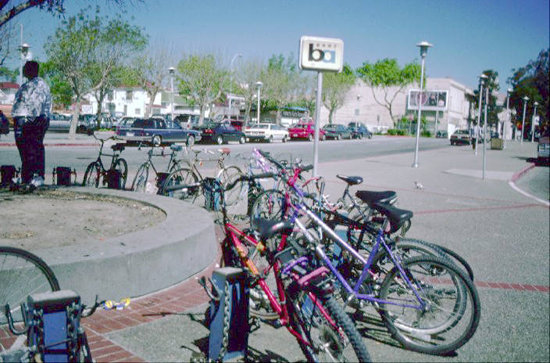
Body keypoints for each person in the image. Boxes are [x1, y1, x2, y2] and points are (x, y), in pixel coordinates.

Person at [11, 60, 52, 187]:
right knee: (24, 149)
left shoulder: (40, 85)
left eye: (25, 68)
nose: (23, 70)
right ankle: (26, 177)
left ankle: (38, 176)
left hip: (36, 120)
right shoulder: (25, 85)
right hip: (22, 121)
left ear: (32, 70)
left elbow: (37, 106)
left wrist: (31, 121)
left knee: (35, 147)